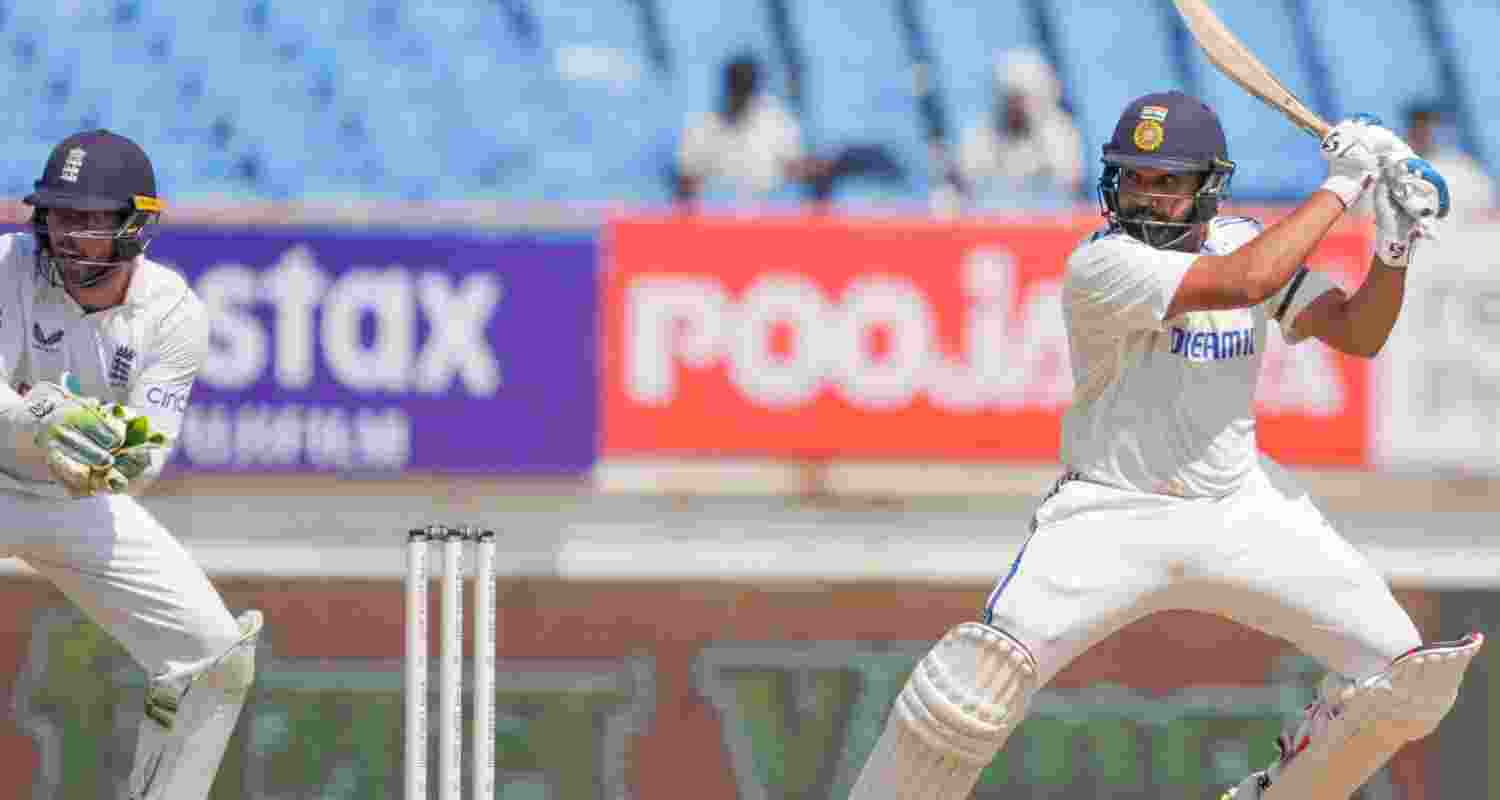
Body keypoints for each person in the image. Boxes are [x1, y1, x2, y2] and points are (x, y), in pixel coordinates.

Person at [846, 92, 1482, 800]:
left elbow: (1358, 333)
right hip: (1112, 514)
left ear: (1207, 187)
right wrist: (1346, 182)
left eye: (1167, 182)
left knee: (1411, 681)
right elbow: (1245, 281)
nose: (1145, 197)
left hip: (1244, 510)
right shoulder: (1104, 264)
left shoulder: (1241, 240)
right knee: (967, 689)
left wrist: (1392, 248)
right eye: (1134, 178)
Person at [0, 128, 261, 798]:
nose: (67, 234)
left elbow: (147, 453)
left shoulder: (172, 312)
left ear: (133, 226)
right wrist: (46, 419)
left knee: (213, 660)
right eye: (59, 215)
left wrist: (106, 459)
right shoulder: (8, 267)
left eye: (89, 220)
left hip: (76, 502)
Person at [674, 53, 831, 208]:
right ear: (728, 87)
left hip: (768, 218)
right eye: (738, 86)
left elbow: (795, 168)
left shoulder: (776, 122)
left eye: (746, 87)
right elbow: (686, 182)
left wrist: (817, 168)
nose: (742, 95)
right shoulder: (702, 127)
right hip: (715, 219)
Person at [954, 48, 1082, 212]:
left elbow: (1068, 182)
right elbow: (968, 181)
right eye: (1011, 97)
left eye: (1022, 97)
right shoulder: (980, 136)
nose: (1017, 105)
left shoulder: (1062, 134)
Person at [1404, 101, 1494, 213]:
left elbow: (1485, 205)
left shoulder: (1460, 166)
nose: (1422, 134)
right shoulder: (1395, 168)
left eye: (1426, 129)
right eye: (1416, 129)